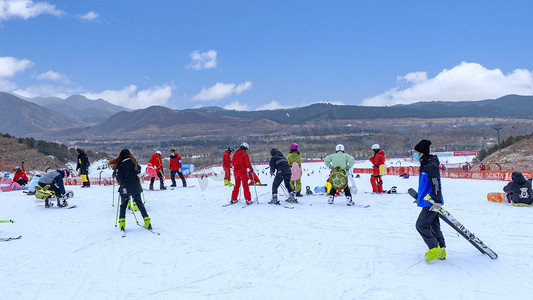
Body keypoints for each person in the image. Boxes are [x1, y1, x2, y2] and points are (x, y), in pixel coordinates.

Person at [413, 139, 446, 262]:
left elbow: (436, 184)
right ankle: (441, 249)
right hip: (426, 200)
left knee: (421, 225)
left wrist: (436, 202)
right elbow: (424, 185)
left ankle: (434, 248)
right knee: (434, 226)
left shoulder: (431, 165)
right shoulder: (425, 164)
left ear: (422, 153)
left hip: (432, 202)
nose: (414, 154)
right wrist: (419, 197)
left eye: (416, 152)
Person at [108, 149, 151, 232]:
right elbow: (138, 171)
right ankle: (147, 222)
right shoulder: (134, 162)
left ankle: (122, 224)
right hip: (135, 186)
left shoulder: (119, 165)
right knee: (140, 204)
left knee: (123, 205)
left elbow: (119, 179)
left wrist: (122, 183)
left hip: (125, 187)